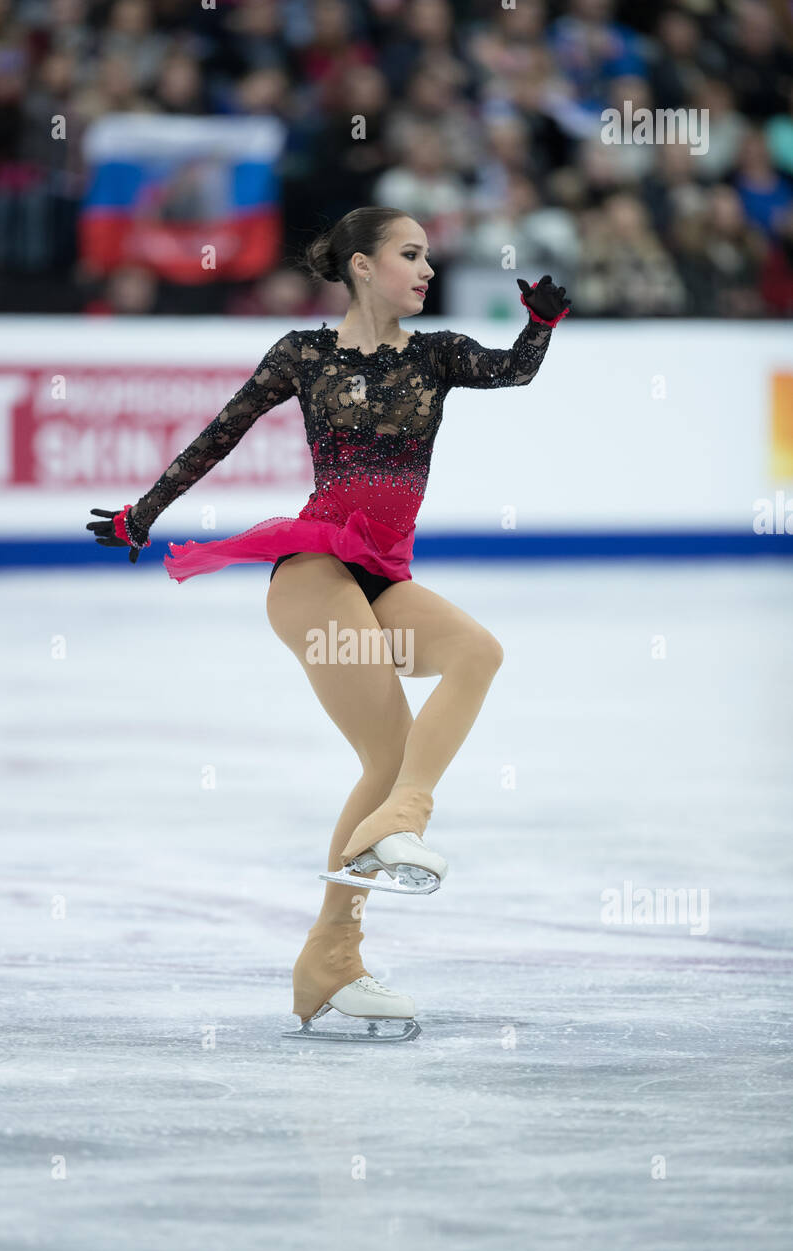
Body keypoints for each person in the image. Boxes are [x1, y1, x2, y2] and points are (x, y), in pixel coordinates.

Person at [87, 206, 569, 1038]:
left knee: (473, 657)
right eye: (410, 255)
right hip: (312, 572)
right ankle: (354, 912)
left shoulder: (437, 354)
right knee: (384, 752)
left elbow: (514, 374)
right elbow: (220, 436)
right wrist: (144, 513)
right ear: (359, 265)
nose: (427, 269)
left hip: (381, 576)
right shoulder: (303, 355)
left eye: (428, 257)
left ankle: (338, 940)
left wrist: (541, 325)